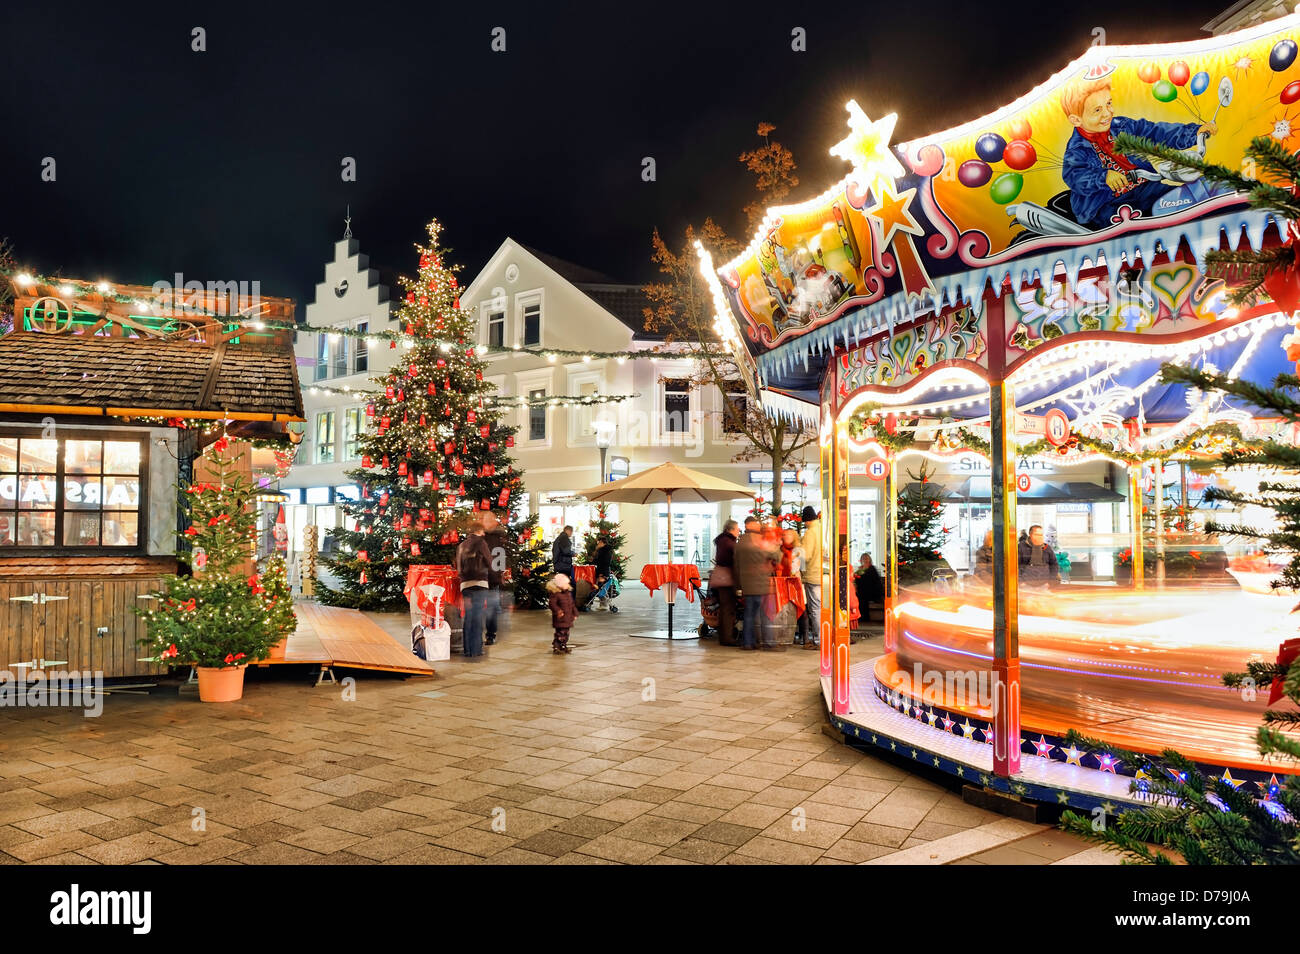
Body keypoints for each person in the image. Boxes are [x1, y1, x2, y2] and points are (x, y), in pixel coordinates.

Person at [1060, 77, 1215, 230]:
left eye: (1108, 104)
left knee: (1178, 200)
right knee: (1130, 224)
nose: (1107, 113)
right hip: (1106, 203)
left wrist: (1193, 133)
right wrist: (1103, 177)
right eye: (1097, 110)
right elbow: (1074, 174)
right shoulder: (1077, 149)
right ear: (1076, 120)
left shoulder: (1123, 126)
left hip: (1143, 186)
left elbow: (1156, 133)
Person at [735, 516, 780, 651]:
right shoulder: (759, 540)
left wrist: (739, 585)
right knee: (765, 614)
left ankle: (749, 642)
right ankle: (768, 642)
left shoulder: (740, 542)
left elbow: (736, 565)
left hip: (747, 583)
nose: (760, 526)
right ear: (751, 525)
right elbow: (775, 556)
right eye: (757, 524)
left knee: (749, 614)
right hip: (760, 582)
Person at [456, 520, 493, 658]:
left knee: (469, 615)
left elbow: (458, 567)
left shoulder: (461, 546)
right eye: (482, 531)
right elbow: (489, 561)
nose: (484, 534)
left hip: (465, 585)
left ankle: (467, 650)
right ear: (478, 531)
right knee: (477, 616)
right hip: (479, 583)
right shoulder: (481, 543)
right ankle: (476, 649)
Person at [710, 520, 740, 646]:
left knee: (724, 608)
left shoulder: (722, 540)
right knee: (728, 608)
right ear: (731, 529)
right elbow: (734, 558)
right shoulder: (729, 542)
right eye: (738, 529)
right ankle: (727, 638)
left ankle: (723, 636)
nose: (739, 531)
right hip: (726, 578)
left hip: (720, 577)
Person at [482, 509, 508, 646]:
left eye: (489, 520)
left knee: (491, 607)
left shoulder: (498, 537)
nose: (487, 523)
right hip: (479, 578)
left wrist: (500, 574)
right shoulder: (479, 536)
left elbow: (501, 557)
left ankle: (490, 634)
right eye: (485, 520)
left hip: (492, 579)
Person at [799, 506, 823, 651]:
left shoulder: (810, 533)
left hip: (812, 575)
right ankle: (823, 637)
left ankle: (819, 639)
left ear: (807, 521)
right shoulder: (822, 529)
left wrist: (797, 552)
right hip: (823, 575)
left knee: (815, 610)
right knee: (821, 608)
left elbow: (805, 556)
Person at [546, 573, 577, 654]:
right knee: (560, 633)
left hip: (567, 618)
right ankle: (557, 646)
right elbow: (552, 604)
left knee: (566, 633)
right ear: (560, 585)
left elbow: (572, 604)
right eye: (566, 584)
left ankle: (563, 645)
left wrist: (575, 613)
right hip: (559, 618)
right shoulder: (556, 594)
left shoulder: (568, 594)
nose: (567, 585)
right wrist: (558, 611)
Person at [854, 553, 884, 617]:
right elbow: (857, 581)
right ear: (861, 560)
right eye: (864, 559)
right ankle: (856, 616)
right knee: (856, 596)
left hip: (873, 591)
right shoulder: (860, 570)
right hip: (863, 591)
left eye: (867, 559)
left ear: (869, 560)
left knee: (862, 597)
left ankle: (864, 617)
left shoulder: (872, 569)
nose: (865, 560)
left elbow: (874, 582)